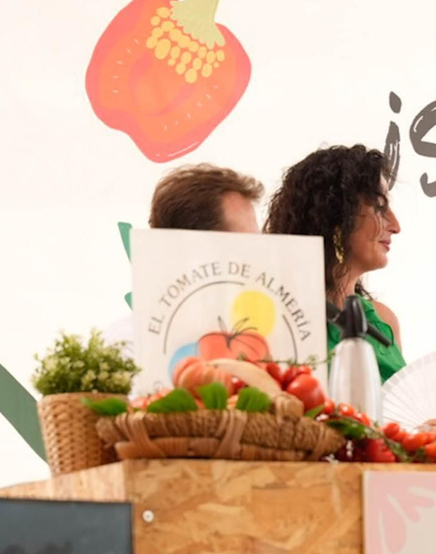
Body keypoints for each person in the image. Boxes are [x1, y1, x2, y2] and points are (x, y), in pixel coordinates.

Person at [265, 145, 405, 381]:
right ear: (338, 216)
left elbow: (401, 412)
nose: (396, 225)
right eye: (380, 207)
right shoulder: (282, 322)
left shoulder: (384, 320)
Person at [106, 163, 264, 347]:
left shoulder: (264, 339)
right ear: (196, 249)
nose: (258, 258)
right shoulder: (128, 346)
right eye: (247, 245)